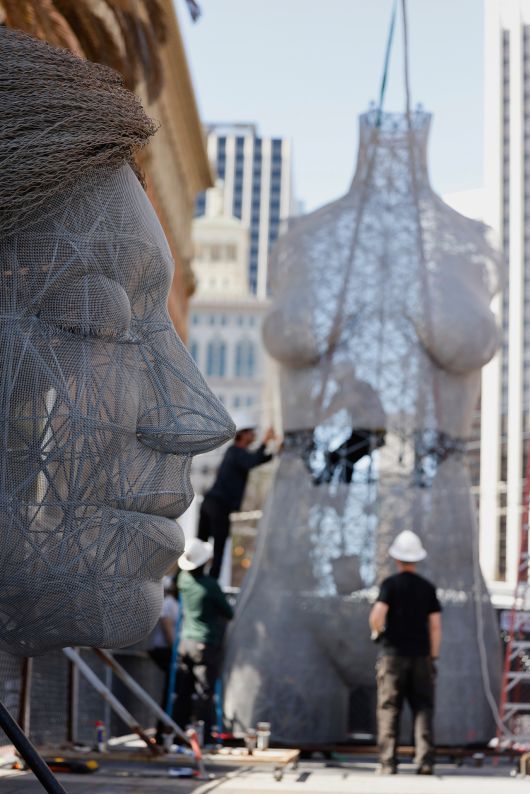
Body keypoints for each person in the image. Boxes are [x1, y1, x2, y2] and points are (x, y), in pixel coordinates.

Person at [369, 530, 442, 776]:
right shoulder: (428, 588)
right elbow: (435, 626)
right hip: (421, 655)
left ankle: (388, 762)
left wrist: (378, 633)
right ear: (417, 559)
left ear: (397, 559)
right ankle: (424, 761)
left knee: (389, 707)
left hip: (392, 656)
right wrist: (433, 656)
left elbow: (377, 616)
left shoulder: (390, 585)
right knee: (423, 707)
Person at [198, 414, 276, 579]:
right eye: (251, 432)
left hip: (211, 504)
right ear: (244, 434)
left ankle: (197, 579)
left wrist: (272, 452)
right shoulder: (235, 452)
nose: (254, 435)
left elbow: (256, 459)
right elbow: (251, 461)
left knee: (202, 543)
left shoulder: (235, 454)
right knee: (215, 548)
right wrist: (265, 442)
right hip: (218, 506)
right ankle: (210, 583)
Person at [173, 538, 234, 745]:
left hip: (185, 642)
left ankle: (178, 734)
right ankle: (204, 735)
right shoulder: (210, 586)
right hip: (205, 643)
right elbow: (228, 612)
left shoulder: (183, 580)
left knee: (183, 691)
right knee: (204, 693)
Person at [148, 576, 180, 745]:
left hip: (171, 651)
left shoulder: (176, 603)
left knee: (174, 690)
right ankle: (162, 732)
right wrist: (175, 648)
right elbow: (166, 626)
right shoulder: (169, 603)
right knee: (170, 689)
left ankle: (168, 729)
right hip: (165, 651)